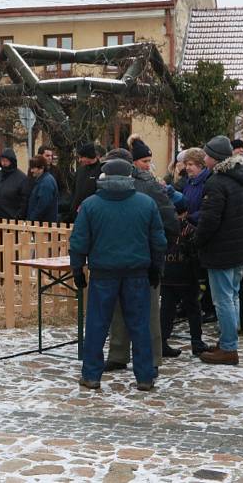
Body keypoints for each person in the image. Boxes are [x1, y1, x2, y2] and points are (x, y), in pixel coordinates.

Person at [70, 159, 166, 392]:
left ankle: (91, 375)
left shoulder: (91, 205)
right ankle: (144, 377)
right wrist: (156, 269)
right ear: (130, 177)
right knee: (140, 324)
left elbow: (79, 241)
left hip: (103, 273)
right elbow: (158, 242)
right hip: (137, 273)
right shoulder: (146, 204)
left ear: (104, 177)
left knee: (96, 325)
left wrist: (77, 269)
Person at [104, 140, 177, 372]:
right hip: (117, 258)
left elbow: (169, 222)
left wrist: (158, 252)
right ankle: (119, 354)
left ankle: (151, 359)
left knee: (147, 311)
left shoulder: (150, 187)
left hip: (142, 259)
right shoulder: (106, 188)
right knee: (120, 309)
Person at [193, 136, 243, 365]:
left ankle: (228, 347)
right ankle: (229, 339)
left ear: (215, 158)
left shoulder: (216, 182)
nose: (204, 158)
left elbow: (210, 220)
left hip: (221, 249)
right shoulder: (242, 178)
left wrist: (197, 242)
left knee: (223, 299)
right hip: (239, 247)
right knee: (233, 295)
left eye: (206, 155)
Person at [159, 191, 209, 357]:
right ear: (186, 211)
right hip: (187, 276)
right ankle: (196, 342)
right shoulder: (191, 229)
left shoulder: (162, 228)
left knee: (167, 309)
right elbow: (197, 252)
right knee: (193, 309)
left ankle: (163, 342)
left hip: (167, 274)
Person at [66, 142, 102, 223]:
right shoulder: (80, 171)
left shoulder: (101, 171)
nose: (80, 160)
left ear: (89, 156)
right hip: (76, 216)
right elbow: (74, 191)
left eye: (82, 157)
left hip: (93, 215)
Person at [180, 148, 210, 226]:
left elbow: (207, 210)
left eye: (190, 164)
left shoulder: (207, 182)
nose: (187, 168)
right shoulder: (189, 182)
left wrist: (188, 217)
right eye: (186, 165)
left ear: (200, 165)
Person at [25, 155, 59, 223]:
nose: (31, 171)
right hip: (41, 224)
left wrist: (31, 220)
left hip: (43, 225)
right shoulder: (43, 180)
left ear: (42, 168)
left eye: (33, 168)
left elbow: (42, 206)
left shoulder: (46, 183)